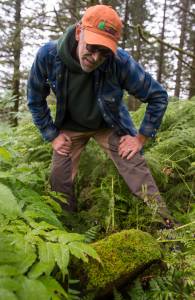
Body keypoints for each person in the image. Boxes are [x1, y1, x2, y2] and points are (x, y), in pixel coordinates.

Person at [27, 4, 172, 225]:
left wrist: (140, 138)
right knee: (59, 181)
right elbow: (35, 99)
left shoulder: (119, 62)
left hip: (109, 124)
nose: (95, 57)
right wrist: (52, 135)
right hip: (70, 127)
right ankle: (64, 231)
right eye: (92, 47)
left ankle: (167, 229)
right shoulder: (48, 55)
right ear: (79, 32)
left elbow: (158, 96)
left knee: (136, 169)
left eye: (104, 52)